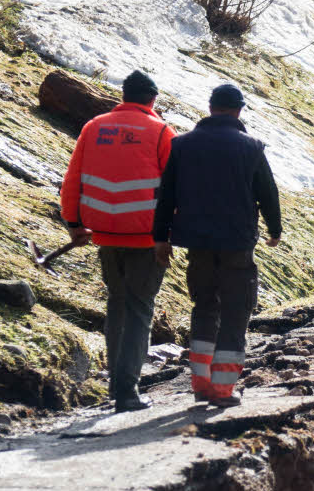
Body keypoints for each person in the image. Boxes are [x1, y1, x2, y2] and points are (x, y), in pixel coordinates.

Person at [153, 84, 282, 408]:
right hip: (237, 243)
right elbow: (268, 193)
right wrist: (275, 230)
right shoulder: (251, 147)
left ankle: (200, 384)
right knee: (236, 311)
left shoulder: (182, 145)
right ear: (238, 111)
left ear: (210, 108)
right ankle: (223, 390)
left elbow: (165, 195)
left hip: (196, 244)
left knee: (205, 308)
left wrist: (160, 237)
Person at [60, 70, 177, 413]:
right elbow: (175, 189)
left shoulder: (94, 126)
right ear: (152, 100)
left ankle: (116, 386)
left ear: (123, 95)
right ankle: (127, 391)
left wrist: (73, 223)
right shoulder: (160, 132)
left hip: (104, 235)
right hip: (145, 238)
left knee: (117, 305)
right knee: (139, 310)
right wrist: (170, 234)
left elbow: (73, 178)